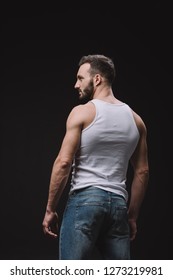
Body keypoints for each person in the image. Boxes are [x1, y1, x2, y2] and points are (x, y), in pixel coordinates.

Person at [42, 54, 149, 260]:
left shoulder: (82, 113)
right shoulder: (137, 121)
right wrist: (132, 216)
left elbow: (64, 162)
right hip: (118, 206)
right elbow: (142, 171)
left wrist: (50, 209)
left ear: (97, 79)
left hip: (85, 201)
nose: (76, 84)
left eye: (80, 78)